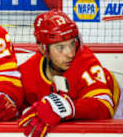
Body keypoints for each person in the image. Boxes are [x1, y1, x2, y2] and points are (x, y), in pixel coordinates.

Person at [18, 9, 122, 137]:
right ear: (42, 48)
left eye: (72, 44)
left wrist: (67, 107)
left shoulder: (85, 61)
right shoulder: (27, 72)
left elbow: (104, 106)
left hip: (118, 108)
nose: (70, 54)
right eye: (60, 47)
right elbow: (18, 104)